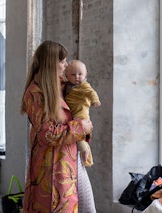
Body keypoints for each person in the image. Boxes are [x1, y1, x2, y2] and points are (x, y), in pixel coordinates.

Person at [21, 40, 95, 213]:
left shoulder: (61, 86)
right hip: (52, 167)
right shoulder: (35, 92)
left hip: (71, 159)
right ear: (51, 63)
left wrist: (83, 136)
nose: (65, 65)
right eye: (62, 61)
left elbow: (80, 106)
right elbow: (48, 134)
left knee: (88, 208)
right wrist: (81, 127)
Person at [64, 60, 101, 167]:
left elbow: (91, 92)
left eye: (80, 74)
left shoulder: (84, 85)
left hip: (80, 113)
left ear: (85, 74)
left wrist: (95, 101)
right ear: (66, 75)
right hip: (73, 113)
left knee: (80, 135)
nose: (77, 77)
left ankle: (85, 153)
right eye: (73, 74)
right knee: (79, 135)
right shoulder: (67, 85)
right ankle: (84, 152)